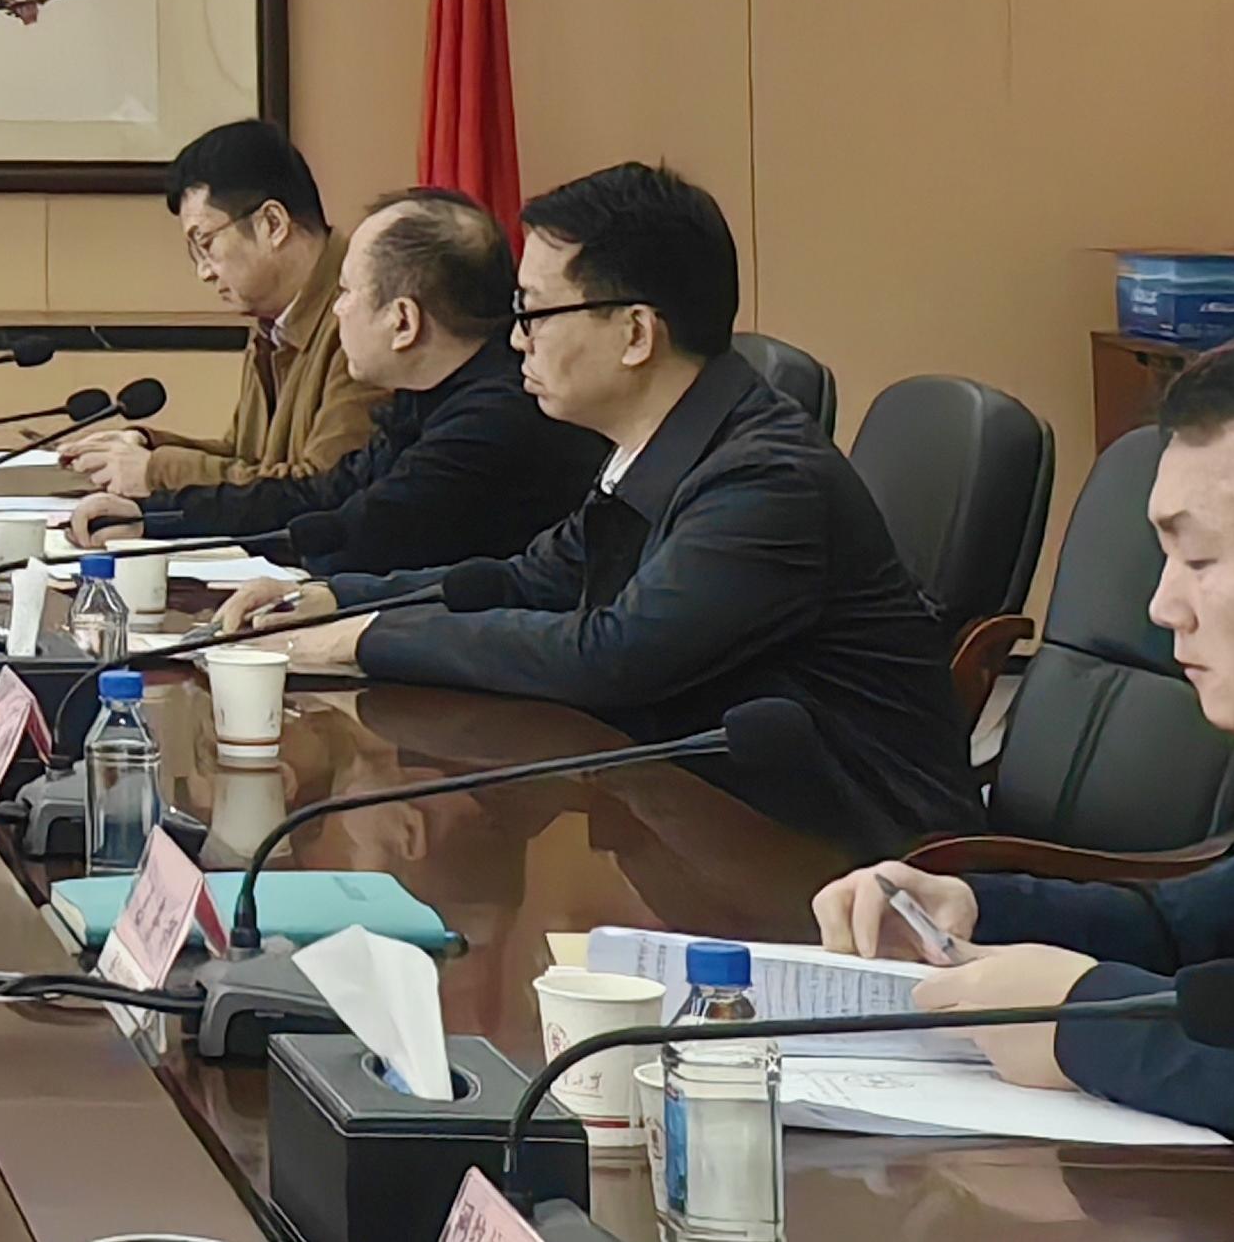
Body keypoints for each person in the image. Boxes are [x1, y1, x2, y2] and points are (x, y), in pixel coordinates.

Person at [813, 324, 1234, 1200]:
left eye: (1200, 557)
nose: (1162, 605)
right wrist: (974, 909)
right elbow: (1211, 925)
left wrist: (1087, 1026)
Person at [250, 161, 974, 855]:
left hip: (861, 862)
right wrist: (334, 599)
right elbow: (533, 579)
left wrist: (366, 639)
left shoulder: (764, 480)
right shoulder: (659, 444)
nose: (515, 339)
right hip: (706, 824)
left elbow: (612, 656)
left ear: (636, 333)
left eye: (534, 313)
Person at [79, 188, 605, 576]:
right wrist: (154, 518)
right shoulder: (428, 395)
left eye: (348, 292)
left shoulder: (493, 419)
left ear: (403, 321)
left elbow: (354, 538)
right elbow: (320, 495)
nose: (337, 309)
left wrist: (167, 525)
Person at [61, 119, 378, 500]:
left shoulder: (364, 315)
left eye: (206, 244)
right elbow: (246, 459)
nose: (204, 272)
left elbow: (322, 488)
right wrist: (145, 445)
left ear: (272, 223)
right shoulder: (275, 321)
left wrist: (156, 471)